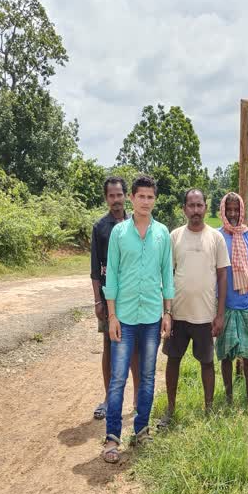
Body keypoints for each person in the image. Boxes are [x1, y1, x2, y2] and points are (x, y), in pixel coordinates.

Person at [100, 175, 174, 463]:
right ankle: (112, 438)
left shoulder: (162, 234)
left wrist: (167, 313)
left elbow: (167, 274)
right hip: (126, 317)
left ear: (155, 200)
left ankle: (141, 431)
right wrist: (113, 316)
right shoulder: (119, 233)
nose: (145, 201)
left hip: (153, 316)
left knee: (147, 376)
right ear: (131, 198)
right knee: (118, 378)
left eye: (150, 197)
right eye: (140, 196)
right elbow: (113, 275)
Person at [159, 188, 229, 428]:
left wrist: (220, 314)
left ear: (206, 208)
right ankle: (170, 410)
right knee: (173, 360)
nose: (196, 210)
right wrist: (166, 312)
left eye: (200, 205)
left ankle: (208, 411)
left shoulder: (216, 238)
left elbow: (222, 277)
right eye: (191, 205)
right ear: (184, 209)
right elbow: (167, 275)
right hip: (178, 313)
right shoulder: (174, 236)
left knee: (207, 363)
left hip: (205, 315)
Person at [89, 177, 139, 421]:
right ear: (106, 198)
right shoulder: (100, 228)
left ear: (126, 196)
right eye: (111, 196)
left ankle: (139, 399)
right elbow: (96, 270)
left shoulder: (137, 223)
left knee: (135, 349)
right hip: (110, 298)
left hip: (134, 297)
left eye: (119, 195)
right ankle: (109, 399)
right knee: (110, 347)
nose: (116, 200)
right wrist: (98, 301)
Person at [215, 192, 248, 404]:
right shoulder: (216, 236)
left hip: (245, 305)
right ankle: (229, 397)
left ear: (242, 211)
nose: (232, 214)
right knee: (225, 355)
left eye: (236, 209)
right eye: (228, 210)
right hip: (224, 306)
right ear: (223, 210)